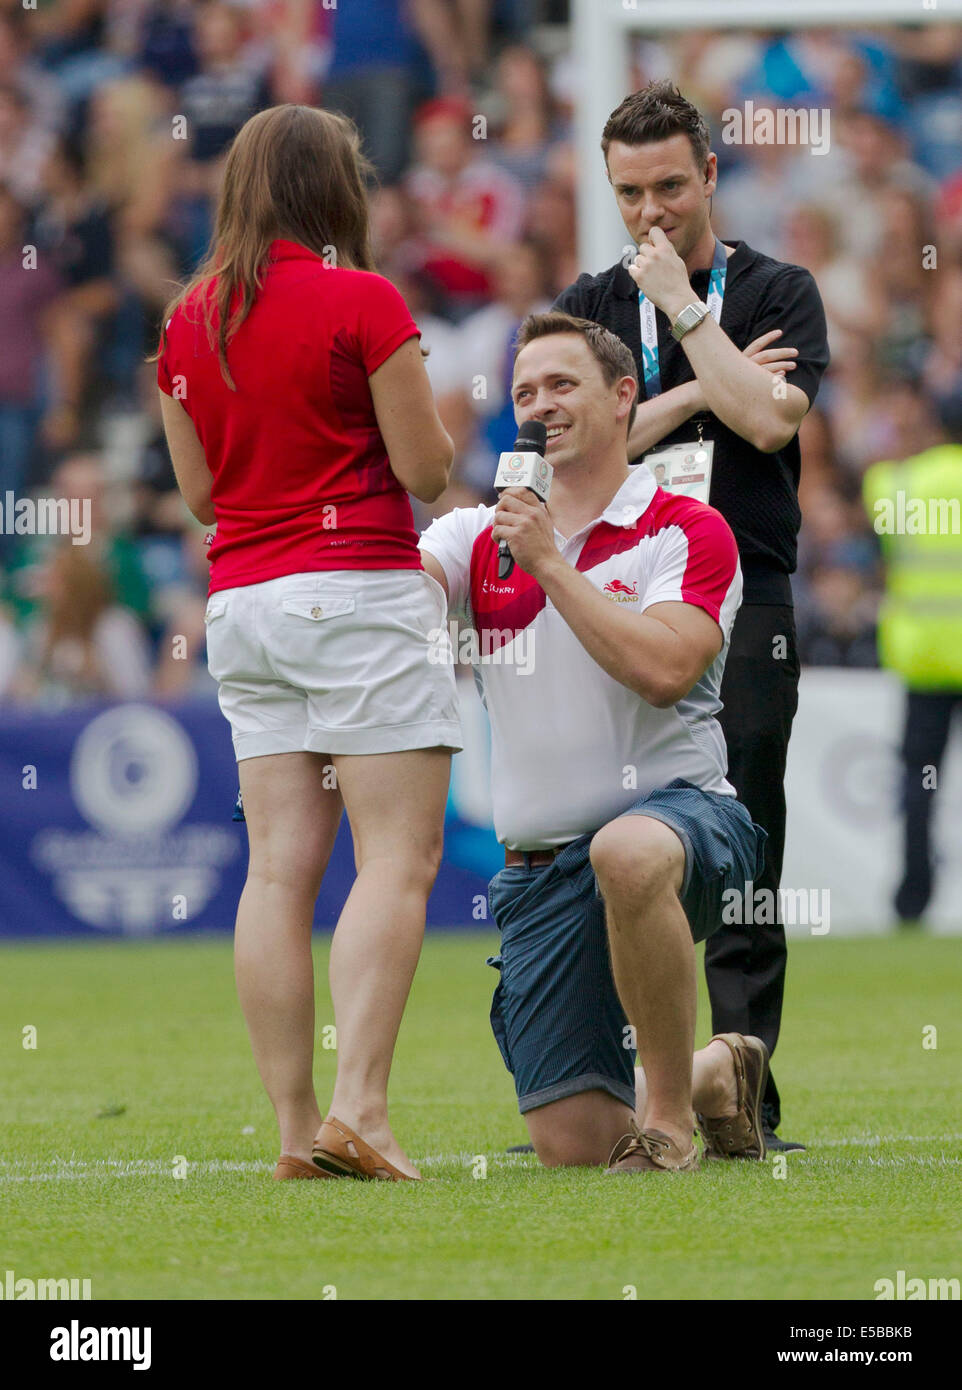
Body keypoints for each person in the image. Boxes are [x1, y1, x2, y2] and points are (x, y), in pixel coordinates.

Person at [152, 104, 462, 1183]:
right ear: (338, 190)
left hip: (242, 606)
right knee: (398, 857)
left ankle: (293, 1131)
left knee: (278, 871)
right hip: (359, 592)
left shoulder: (186, 320)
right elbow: (426, 472)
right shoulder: (362, 297)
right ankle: (360, 1110)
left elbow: (199, 496)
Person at [420, 311, 770, 1172]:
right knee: (572, 1145)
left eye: (562, 385)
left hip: (684, 822)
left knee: (626, 851)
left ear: (622, 399)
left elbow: (665, 671)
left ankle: (669, 1125)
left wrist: (549, 564)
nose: (541, 405)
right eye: (525, 392)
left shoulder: (687, 528)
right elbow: (396, 596)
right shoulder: (473, 537)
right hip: (540, 866)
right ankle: (715, 1075)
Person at [552, 82, 830, 1152]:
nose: (648, 212)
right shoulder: (583, 302)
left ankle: (742, 1094)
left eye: (668, 185)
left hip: (741, 588)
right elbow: (566, 455)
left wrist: (684, 311)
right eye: (627, 191)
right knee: (610, 836)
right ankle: (639, 1086)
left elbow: (765, 420)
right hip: (617, 589)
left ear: (709, 175)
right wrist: (700, 385)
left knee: (746, 835)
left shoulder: (773, 288)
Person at [862, 393, 962, 925]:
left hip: (924, 659)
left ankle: (912, 900)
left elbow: (874, 495)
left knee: (921, 784)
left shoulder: (896, 483)